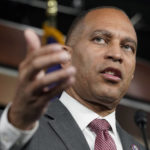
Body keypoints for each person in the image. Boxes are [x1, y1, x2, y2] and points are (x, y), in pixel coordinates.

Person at [0, 6, 146, 150]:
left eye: (127, 47)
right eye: (100, 39)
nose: (116, 54)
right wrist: (16, 124)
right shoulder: (22, 127)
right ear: (66, 57)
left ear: (132, 73)